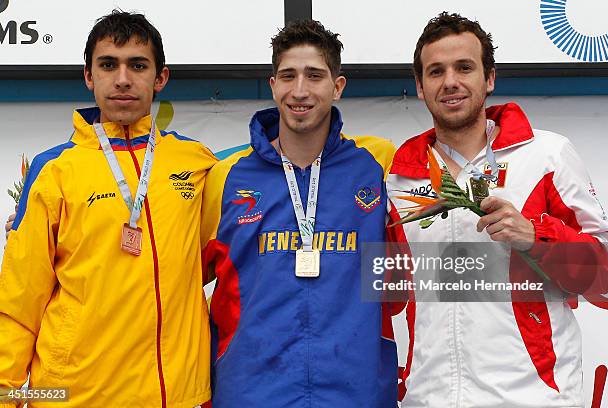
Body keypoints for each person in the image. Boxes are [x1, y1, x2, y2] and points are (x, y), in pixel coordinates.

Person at [386, 12, 608, 407]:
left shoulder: (547, 155)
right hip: (430, 398)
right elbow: (391, 294)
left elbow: (606, 277)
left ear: (489, 78)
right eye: (436, 71)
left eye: (464, 67)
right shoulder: (398, 178)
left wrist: (536, 237)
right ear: (420, 87)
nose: (450, 81)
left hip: (532, 399)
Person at [0, 11, 216, 407]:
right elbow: (16, 305)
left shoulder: (197, 163)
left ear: (160, 77)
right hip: (77, 396)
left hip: (178, 395)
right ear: (88, 76)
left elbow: (219, 258)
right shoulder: (55, 171)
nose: (122, 79)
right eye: (108, 65)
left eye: (137, 65)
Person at [201, 20, 398, 407]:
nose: (300, 91)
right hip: (251, 392)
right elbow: (180, 284)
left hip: (355, 392)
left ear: (337, 86)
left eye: (315, 76)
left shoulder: (378, 166)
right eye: (288, 76)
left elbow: (423, 266)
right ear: (272, 84)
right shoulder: (226, 176)